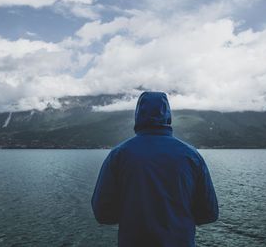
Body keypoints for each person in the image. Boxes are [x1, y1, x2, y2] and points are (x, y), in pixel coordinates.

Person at [91, 91, 219, 247]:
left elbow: (102, 213)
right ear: (168, 116)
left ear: (138, 115)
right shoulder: (191, 156)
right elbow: (209, 213)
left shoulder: (119, 155)